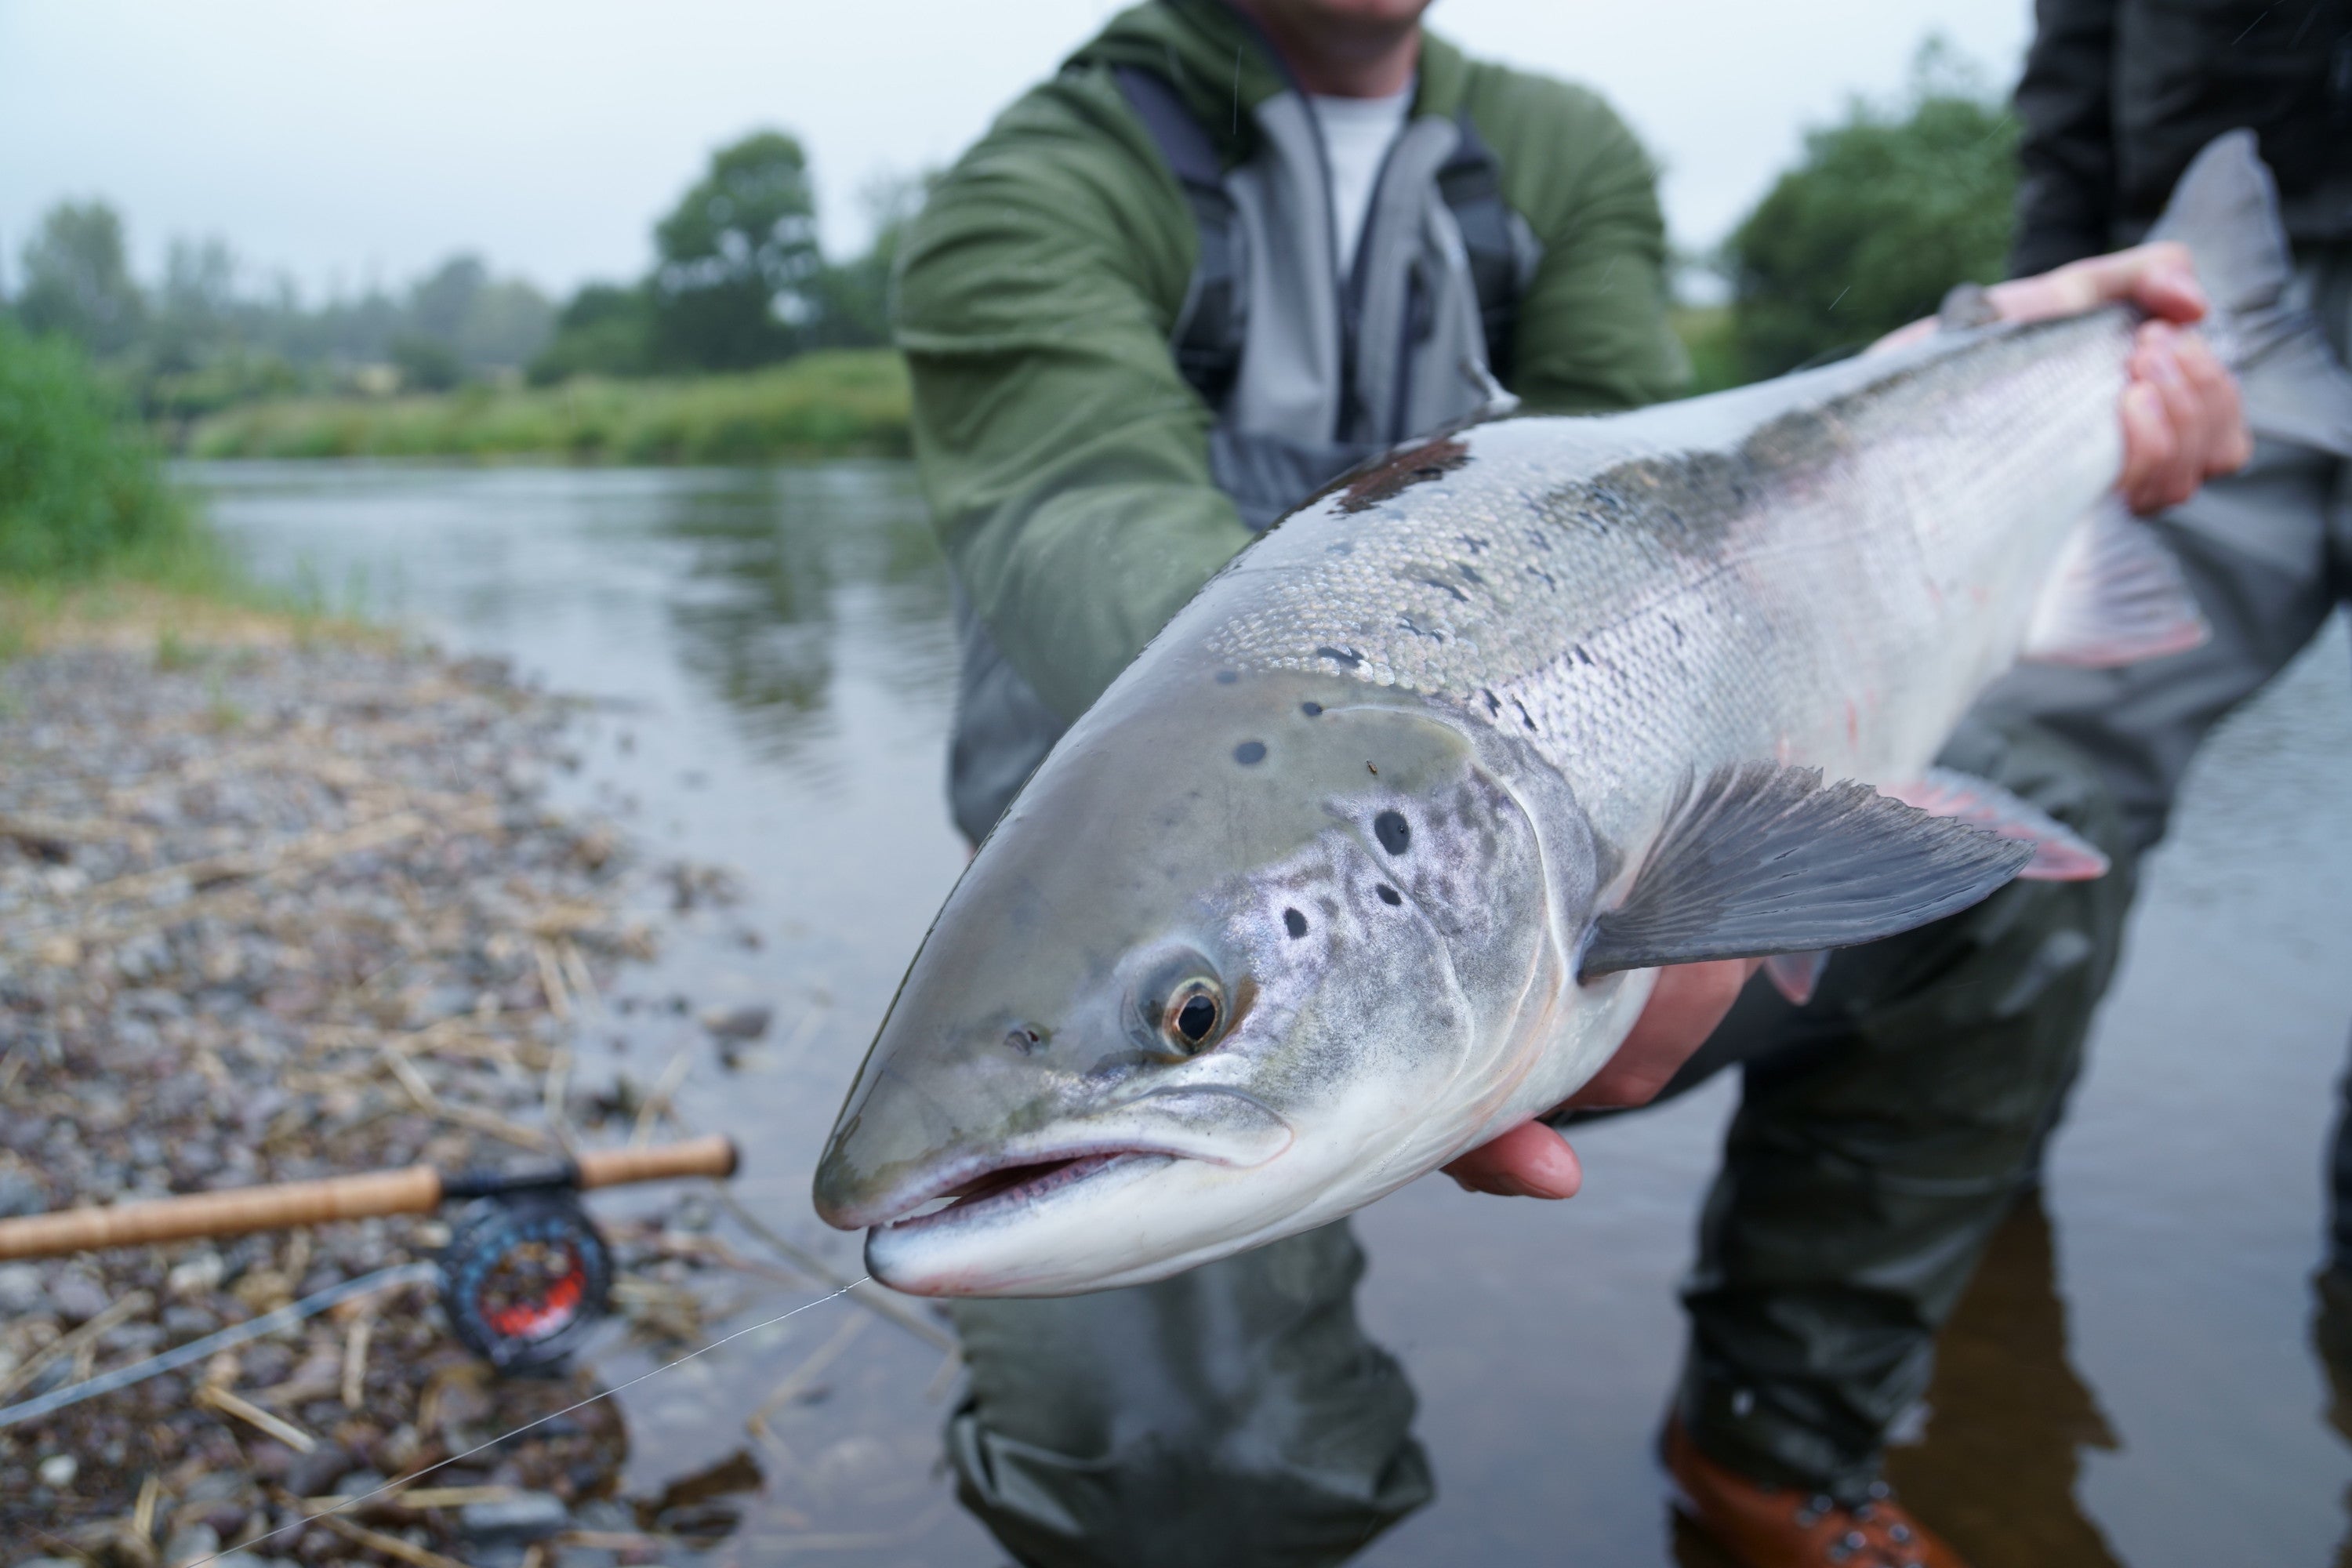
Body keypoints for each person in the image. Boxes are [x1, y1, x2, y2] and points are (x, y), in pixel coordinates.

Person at [891, 2, 2250, 1563]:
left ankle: (1767, 1450)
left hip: (1546, 876)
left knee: (2019, 872)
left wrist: (1948, 373)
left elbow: (1658, 487)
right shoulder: (1035, 190)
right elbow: (1087, 535)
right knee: (1193, 1483)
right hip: (1201, 964)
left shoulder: (1564, 153)